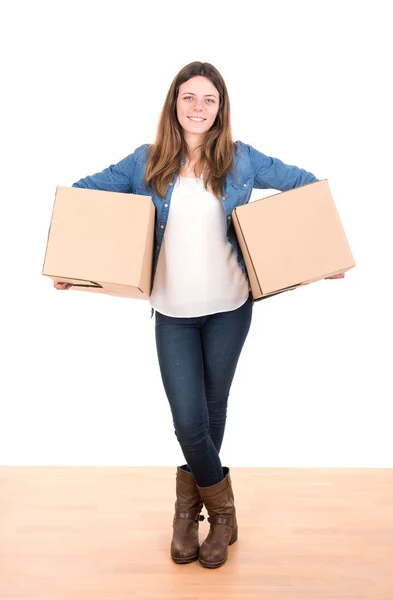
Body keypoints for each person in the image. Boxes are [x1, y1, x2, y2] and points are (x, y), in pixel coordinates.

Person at [54, 61, 345, 568]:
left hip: (230, 308)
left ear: (220, 107)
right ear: (174, 104)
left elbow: (305, 186)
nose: (198, 107)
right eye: (189, 97)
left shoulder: (242, 159)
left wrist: (320, 257)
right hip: (172, 311)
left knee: (210, 417)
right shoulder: (144, 162)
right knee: (189, 422)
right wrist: (73, 266)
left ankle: (189, 518)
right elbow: (83, 195)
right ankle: (223, 515)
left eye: (208, 99)